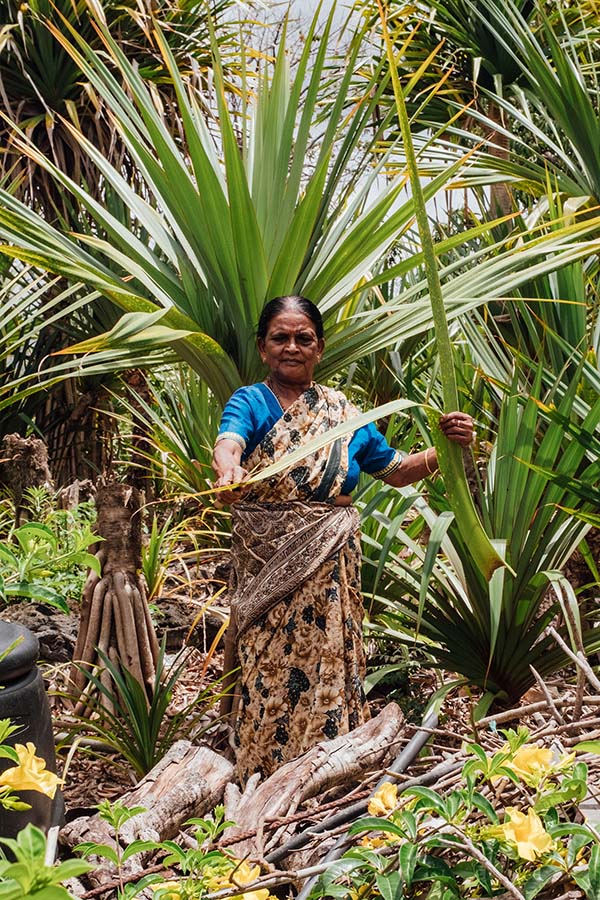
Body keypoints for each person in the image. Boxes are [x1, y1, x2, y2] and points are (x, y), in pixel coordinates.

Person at [213, 295, 474, 784]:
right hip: (269, 565)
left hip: (330, 571)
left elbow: (396, 470)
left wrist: (446, 446)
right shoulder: (249, 402)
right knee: (265, 667)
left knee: (329, 664)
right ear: (263, 349)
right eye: (280, 338)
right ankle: (262, 779)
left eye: (303, 338)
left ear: (319, 347)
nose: (292, 347)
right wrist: (228, 465)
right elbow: (230, 441)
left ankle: (325, 776)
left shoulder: (343, 415)